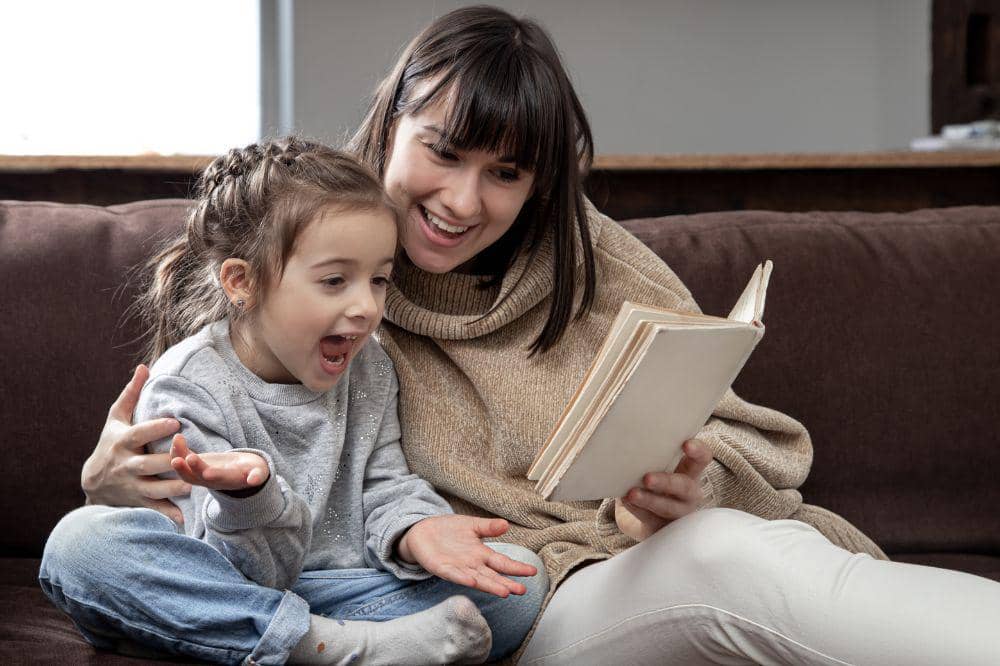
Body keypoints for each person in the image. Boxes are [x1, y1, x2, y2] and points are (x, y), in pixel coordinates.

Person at [63, 6, 1000, 665]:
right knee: (84, 542)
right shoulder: (297, 232)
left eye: (507, 173)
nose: (463, 201)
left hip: (525, 589)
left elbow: (732, 437)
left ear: (541, 184)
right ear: (391, 125)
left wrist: (667, 497)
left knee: (730, 556)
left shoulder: (589, 260)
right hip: (322, 585)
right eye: (442, 151)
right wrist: (124, 486)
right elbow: (191, 446)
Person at [39, 138, 548, 665]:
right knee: (81, 547)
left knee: (520, 584)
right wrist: (251, 498)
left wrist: (416, 529)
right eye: (334, 280)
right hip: (228, 584)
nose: (366, 306)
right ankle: (340, 649)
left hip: (335, 590)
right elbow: (235, 571)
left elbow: (385, 484)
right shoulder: (187, 386)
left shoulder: (370, 367)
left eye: (378, 279)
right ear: (242, 282)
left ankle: (249, 643)